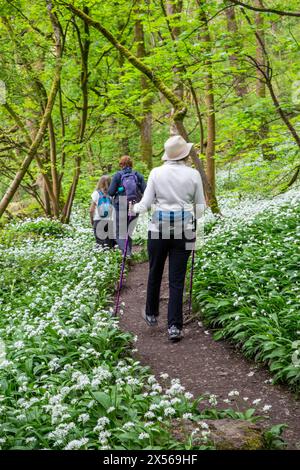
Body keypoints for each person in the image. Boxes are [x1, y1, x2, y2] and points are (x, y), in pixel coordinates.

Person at [131, 135, 206, 342]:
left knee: (155, 271)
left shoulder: (156, 172)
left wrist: (133, 209)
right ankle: (174, 326)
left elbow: (145, 204)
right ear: (184, 154)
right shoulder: (193, 174)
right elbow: (200, 209)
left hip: (158, 230)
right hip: (184, 231)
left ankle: (151, 314)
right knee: (177, 279)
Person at [108, 156, 146, 256]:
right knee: (128, 231)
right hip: (134, 204)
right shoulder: (138, 175)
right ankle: (128, 253)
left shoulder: (117, 176)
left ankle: (127, 254)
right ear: (131, 164)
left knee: (120, 232)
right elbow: (145, 191)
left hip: (121, 204)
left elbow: (111, 192)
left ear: (121, 165)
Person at [90, 175, 115, 249]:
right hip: (110, 222)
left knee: (100, 246)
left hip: (98, 221)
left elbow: (91, 210)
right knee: (110, 246)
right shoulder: (113, 194)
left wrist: (92, 221)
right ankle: (112, 259)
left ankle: (102, 259)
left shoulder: (96, 193)